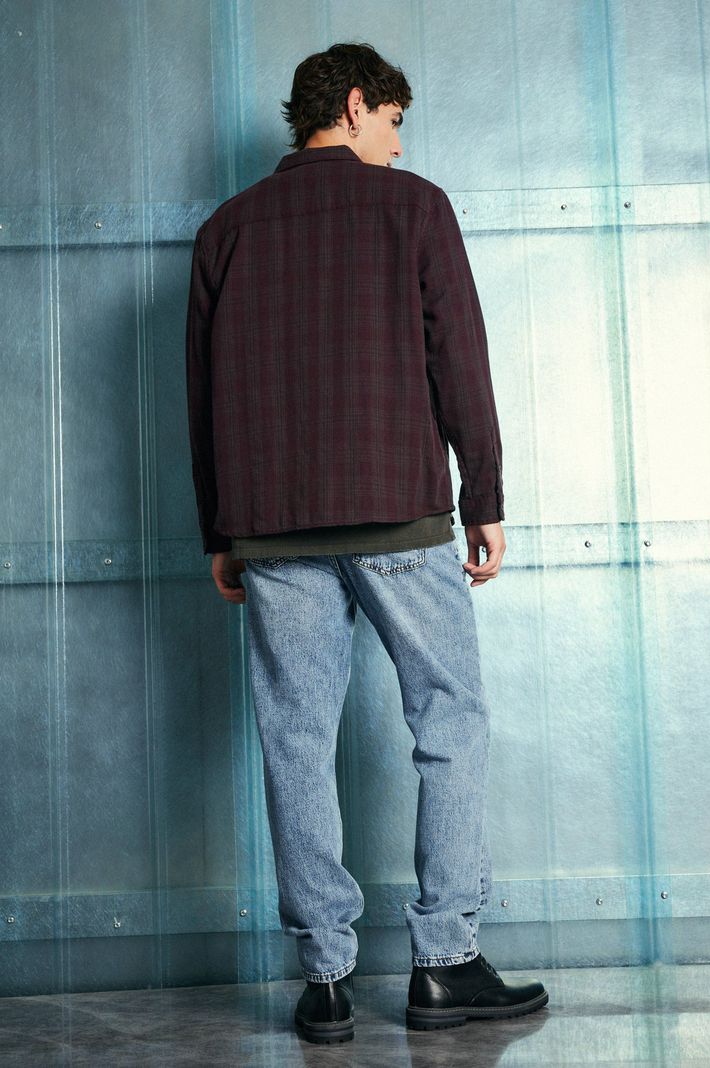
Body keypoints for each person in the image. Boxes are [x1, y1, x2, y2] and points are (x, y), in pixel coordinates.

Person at [185, 41, 548, 1044]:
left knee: (295, 741)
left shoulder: (225, 230)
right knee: (449, 721)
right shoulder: (413, 209)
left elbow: (201, 395)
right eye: (392, 122)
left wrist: (221, 529)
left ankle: (325, 981)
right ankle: (445, 965)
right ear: (353, 106)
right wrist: (483, 494)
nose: (397, 144)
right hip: (397, 515)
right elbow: (460, 360)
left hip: (271, 531)